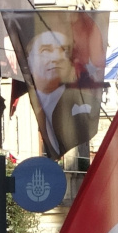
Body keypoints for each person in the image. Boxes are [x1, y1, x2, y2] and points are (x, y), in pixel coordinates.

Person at [22, 26, 99, 158]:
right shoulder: (26, 101)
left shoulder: (86, 105)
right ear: (28, 59)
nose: (56, 58)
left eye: (65, 51)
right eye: (46, 50)